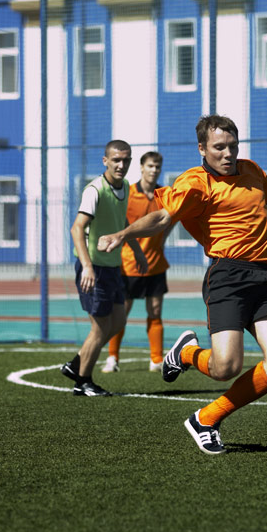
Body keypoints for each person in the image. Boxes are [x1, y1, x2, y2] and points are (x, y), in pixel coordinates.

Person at [98, 114, 267, 454]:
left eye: (233, 146)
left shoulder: (250, 171)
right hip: (229, 276)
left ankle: (206, 419)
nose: (228, 153)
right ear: (202, 148)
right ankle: (187, 353)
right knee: (225, 368)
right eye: (219, 147)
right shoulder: (195, 183)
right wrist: (124, 234)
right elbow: (163, 217)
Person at [61, 139, 147, 397]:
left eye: (126, 160)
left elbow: (122, 221)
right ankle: (83, 382)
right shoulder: (95, 189)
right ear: (105, 161)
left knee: (118, 321)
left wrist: (137, 250)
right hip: (93, 269)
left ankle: (76, 364)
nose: (121, 165)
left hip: (112, 266)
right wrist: (87, 267)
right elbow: (76, 228)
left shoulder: (126, 186)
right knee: (99, 328)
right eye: (116, 160)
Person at [101, 151, 171, 374]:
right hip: (129, 263)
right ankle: (112, 358)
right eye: (150, 165)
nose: (154, 170)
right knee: (121, 313)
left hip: (156, 263)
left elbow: (170, 220)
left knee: (155, 311)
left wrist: (161, 241)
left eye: (157, 166)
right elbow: (117, 222)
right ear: (141, 167)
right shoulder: (129, 194)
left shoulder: (164, 195)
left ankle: (156, 360)